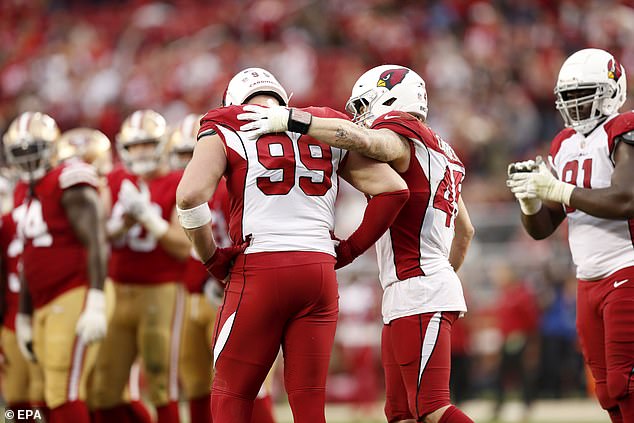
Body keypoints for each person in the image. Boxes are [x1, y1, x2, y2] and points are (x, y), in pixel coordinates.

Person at [239, 64, 475, 423]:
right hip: (415, 286)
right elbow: (466, 231)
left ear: (391, 98)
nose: (361, 118)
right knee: (399, 414)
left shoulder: (402, 132)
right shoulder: (441, 151)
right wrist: (441, 280)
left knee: (431, 408)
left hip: (418, 286)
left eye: (364, 107)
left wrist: (296, 120)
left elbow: (367, 141)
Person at [176, 67, 410, 422]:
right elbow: (394, 190)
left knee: (231, 394)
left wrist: (211, 259)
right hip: (317, 274)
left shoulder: (226, 122)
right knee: (309, 406)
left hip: (260, 268)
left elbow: (190, 196)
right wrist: (346, 251)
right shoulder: (320, 122)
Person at [506, 47, 634, 423]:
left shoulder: (623, 129)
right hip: (587, 278)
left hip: (626, 269)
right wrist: (531, 201)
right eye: (570, 97)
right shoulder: (562, 144)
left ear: (611, 90)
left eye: (585, 94)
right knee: (607, 387)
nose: (576, 105)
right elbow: (543, 229)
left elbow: (627, 199)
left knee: (627, 381)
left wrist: (559, 191)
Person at [168, 114, 277, 423]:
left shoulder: (236, 184)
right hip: (191, 293)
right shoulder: (178, 191)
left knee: (246, 384)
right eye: (183, 156)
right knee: (196, 383)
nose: (191, 165)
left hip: (232, 290)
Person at [3, 111, 108, 422]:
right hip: (40, 302)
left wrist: (97, 301)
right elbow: (28, 256)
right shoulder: (23, 190)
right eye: (19, 153)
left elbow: (97, 240)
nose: (26, 160)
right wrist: (23, 315)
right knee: (44, 395)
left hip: (72, 291)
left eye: (32, 151)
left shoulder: (68, 180)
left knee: (63, 389)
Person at [90, 109, 190, 423]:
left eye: (146, 144)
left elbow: (182, 247)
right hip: (117, 291)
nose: (139, 152)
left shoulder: (179, 181)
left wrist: (150, 219)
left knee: (161, 383)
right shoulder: (115, 178)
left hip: (160, 292)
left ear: (161, 144)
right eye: (133, 146)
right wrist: (123, 224)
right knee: (104, 389)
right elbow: (96, 236)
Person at [0, 172, 46, 418]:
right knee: (16, 398)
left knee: (47, 395)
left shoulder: (50, 216)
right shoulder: (6, 224)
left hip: (46, 315)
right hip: (12, 320)